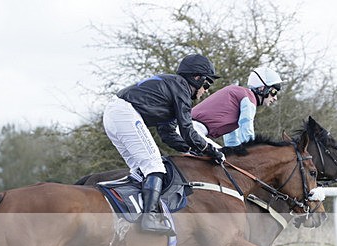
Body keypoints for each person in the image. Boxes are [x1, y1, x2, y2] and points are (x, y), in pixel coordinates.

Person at [103, 53, 225, 234]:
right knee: (154, 166)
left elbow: (168, 134)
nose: (206, 90)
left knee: (140, 170)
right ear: (197, 78)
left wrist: (191, 149)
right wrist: (210, 149)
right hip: (124, 114)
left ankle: (131, 212)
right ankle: (150, 218)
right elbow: (188, 130)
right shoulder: (182, 88)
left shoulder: (173, 87)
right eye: (207, 84)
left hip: (114, 115)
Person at [191, 66, 283, 147]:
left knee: (226, 160)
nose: (275, 98)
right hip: (192, 129)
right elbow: (247, 130)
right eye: (274, 92)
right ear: (262, 88)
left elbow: (231, 139)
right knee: (220, 159)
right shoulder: (249, 99)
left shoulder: (240, 95)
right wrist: (253, 151)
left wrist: (236, 154)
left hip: (189, 127)